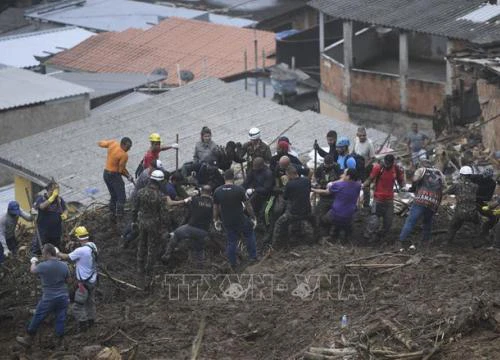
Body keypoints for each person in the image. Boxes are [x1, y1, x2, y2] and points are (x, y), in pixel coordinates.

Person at [16, 244, 70, 348]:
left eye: (44, 253)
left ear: (48, 253)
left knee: (38, 315)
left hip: (49, 297)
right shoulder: (64, 265)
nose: (43, 255)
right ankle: (60, 342)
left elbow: (33, 270)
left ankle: (28, 338)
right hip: (63, 296)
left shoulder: (43, 265)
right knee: (61, 317)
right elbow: (68, 280)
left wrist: (33, 261)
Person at [213, 169, 257, 268]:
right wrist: (253, 217)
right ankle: (253, 257)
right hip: (240, 219)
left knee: (231, 241)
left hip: (227, 221)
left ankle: (233, 263)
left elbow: (215, 207)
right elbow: (248, 205)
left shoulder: (217, 191)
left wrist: (216, 220)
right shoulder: (239, 189)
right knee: (249, 234)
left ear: (224, 178)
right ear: (233, 178)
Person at [57, 226, 98, 332]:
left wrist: (56, 252)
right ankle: (91, 322)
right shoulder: (93, 246)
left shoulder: (81, 250)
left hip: (83, 284)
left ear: (78, 237)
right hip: (93, 280)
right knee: (90, 302)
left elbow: (66, 257)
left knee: (78, 306)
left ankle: (83, 326)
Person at [133, 170, 171, 280]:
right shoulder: (160, 196)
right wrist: (167, 227)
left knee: (141, 244)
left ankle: (139, 268)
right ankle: (148, 271)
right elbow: (164, 214)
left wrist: (133, 221)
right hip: (153, 224)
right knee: (152, 247)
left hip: (141, 222)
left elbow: (134, 209)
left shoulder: (140, 192)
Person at [162, 185, 214, 266]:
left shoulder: (194, 199)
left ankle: (167, 255)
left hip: (190, 228)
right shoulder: (212, 203)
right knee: (199, 249)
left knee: (176, 234)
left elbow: (185, 202)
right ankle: (200, 265)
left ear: (201, 192)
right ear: (210, 193)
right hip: (203, 232)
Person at [399, 160, 445, 248]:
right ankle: (425, 242)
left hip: (422, 199)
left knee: (411, 221)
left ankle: (402, 240)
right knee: (427, 222)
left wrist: (411, 188)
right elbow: (443, 186)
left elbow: (415, 180)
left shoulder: (421, 170)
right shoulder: (440, 173)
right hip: (434, 202)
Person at [363, 154, 405, 241]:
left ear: (392, 163)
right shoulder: (378, 168)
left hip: (389, 199)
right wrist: (363, 185)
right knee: (374, 220)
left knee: (388, 222)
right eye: (386, 163)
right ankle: (368, 235)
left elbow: (400, 180)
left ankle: (380, 236)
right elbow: (370, 179)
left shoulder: (396, 169)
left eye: (389, 164)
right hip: (378, 199)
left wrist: (403, 187)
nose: (387, 165)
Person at [312, 168, 361, 241]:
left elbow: (326, 192)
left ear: (348, 176)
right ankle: (345, 236)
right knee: (344, 222)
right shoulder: (358, 186)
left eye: (344, 174)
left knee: (324, 220)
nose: (342, 175)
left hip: (336, 214)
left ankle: (326, 235)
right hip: (350, 215)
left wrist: (313, 190)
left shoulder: (338, 185)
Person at [271, 166, 312, 248]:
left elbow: (285, 197)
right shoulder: (307, 180)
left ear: (289, 175)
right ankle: (299, 234)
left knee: (279, 223)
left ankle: (276, 245)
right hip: (308, 210)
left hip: (294, 213)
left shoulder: (289, 184)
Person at [98, 137, 133, 223]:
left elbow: (101, 143)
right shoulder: (124, 155)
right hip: (114, 176)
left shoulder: (113, 143)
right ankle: (120, 217)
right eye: (128, 147)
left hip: (106, 174)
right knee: (121, 197)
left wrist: (100, 142)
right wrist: (129, 176)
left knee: (113, 195)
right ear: (123, 144)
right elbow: (121, 170)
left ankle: (112, 213)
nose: (129, 149)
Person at [445, 166, 480, 244]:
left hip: (460, 212)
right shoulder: (475, 186)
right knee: (478, 224)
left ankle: (448, 241)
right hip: (472, 212)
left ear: (461, 175)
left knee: (452, 226)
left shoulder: (456, 186)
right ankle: (478, 240)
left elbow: (446, 192)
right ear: (471, 175)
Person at [33, 181, 67, 255]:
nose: (58, 191)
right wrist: (51, 198)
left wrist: (65, 214)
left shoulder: (59, 199)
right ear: (50, 190)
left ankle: (56, 260)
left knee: (56, 247)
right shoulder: (41, 198)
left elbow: (65, 209)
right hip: (44, 230)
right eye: (56, 189)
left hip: (56, 229)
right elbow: (41, 206)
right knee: (40, 247)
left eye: (58, 189)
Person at [312, 155, 341, 236]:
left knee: (334, 215)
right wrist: (316, 184)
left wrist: (334, 183)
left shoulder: (337, 167)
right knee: (319, 214)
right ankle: (320, 233)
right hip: (323, 195)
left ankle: (334, 232)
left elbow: (342, 179)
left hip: (334, 195)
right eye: (326, 164)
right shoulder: (320, 168)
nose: (327, 166)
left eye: (329, 165)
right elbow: (315, 178)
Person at [353, 127, 376, 207]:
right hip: (357, 165)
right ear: (357, 135)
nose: (362, 137)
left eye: (364, 135)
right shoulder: (356, 140)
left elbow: (373, 158)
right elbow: (354, 151)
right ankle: (355, 202)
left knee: (366, 186)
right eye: (360, 136)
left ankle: (366, 205)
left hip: (366, 167)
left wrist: (365, 166)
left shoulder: (369, 143)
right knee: (355, 184)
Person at [472, 167, 497, 236]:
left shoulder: (492, 183)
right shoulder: (476, 177)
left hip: (478, 201)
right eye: (484, 176)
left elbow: (488, 198)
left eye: (487, 177)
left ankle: (484, 232)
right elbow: (465, 180)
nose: (484, 178)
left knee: (493, 217)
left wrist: (476, 197)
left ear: (490, 177)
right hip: (469, 200)